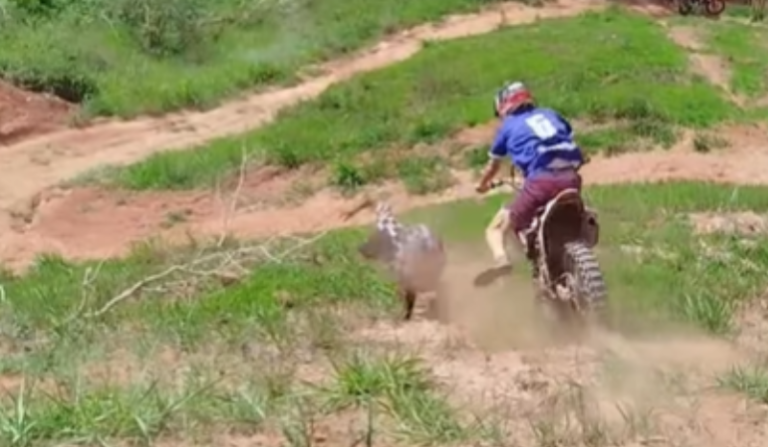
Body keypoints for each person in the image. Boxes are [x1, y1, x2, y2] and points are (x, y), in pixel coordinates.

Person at [474, 81, 585, 282]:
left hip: (540, 183)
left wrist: (482, 185)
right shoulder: (550, 114)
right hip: (571, 179)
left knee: (495, 228)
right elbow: (570, 142)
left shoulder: (507, 127)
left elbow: (493, 166)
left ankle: (502, 260)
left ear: (503, 106)